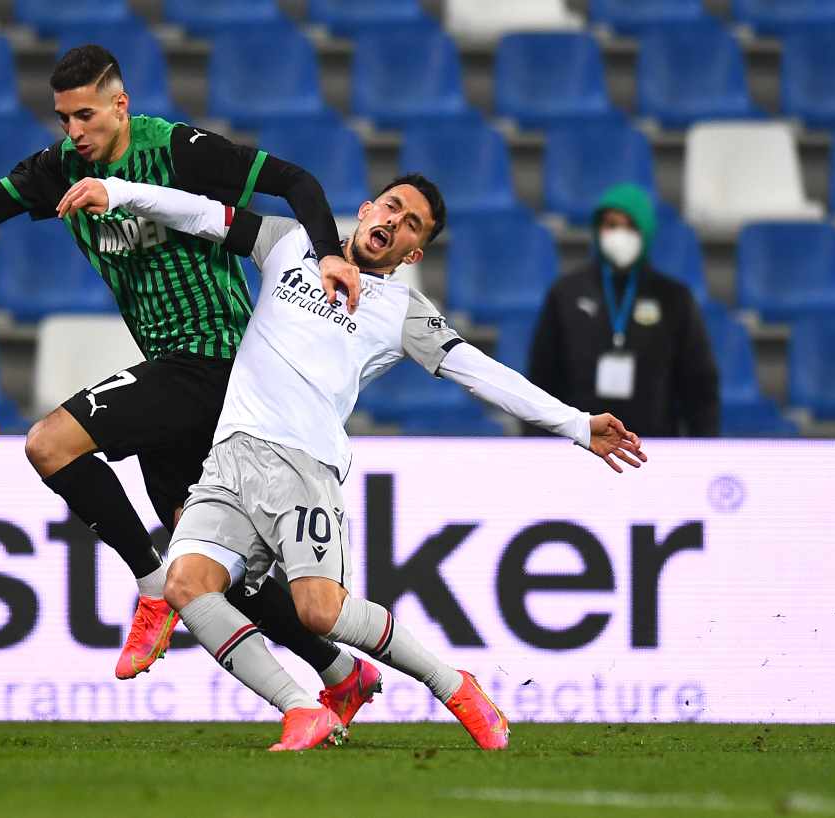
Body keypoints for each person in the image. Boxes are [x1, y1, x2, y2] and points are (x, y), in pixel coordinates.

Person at [0, 45, 373, 710]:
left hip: (219, 358)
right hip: (176, 375)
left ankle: (148, 586)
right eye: (64, 118)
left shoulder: (179, 151)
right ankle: (339, 671)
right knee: (207, 572)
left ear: (120, 105)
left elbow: (297, 183)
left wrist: (327, 257)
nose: (74, 132)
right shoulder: (60, 167)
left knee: (49, 444)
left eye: (86, 116)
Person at [57, 172, 647, 751]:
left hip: (304, 466)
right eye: (391, 206)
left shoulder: (401, 311)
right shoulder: (287, 242)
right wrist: (120, 193)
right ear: (365, 209)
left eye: (410, 223)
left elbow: (478, 372)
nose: (393, 221)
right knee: (187, 584)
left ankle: (453, 685)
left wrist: (575, 424)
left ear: (414, 252)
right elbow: (198, 212)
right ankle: (299, 710)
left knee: (318, 612)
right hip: (231, 456)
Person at [527, 183, 720, 437]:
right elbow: (543, 375)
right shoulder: (566, 293)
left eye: (630, 226)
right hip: (579, 445)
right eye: (611, 225)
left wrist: (702, 448)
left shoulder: (674, 298)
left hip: (655, 445)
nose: (620, 234)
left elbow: (699, 385)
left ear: (646, 231)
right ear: (598, 230)